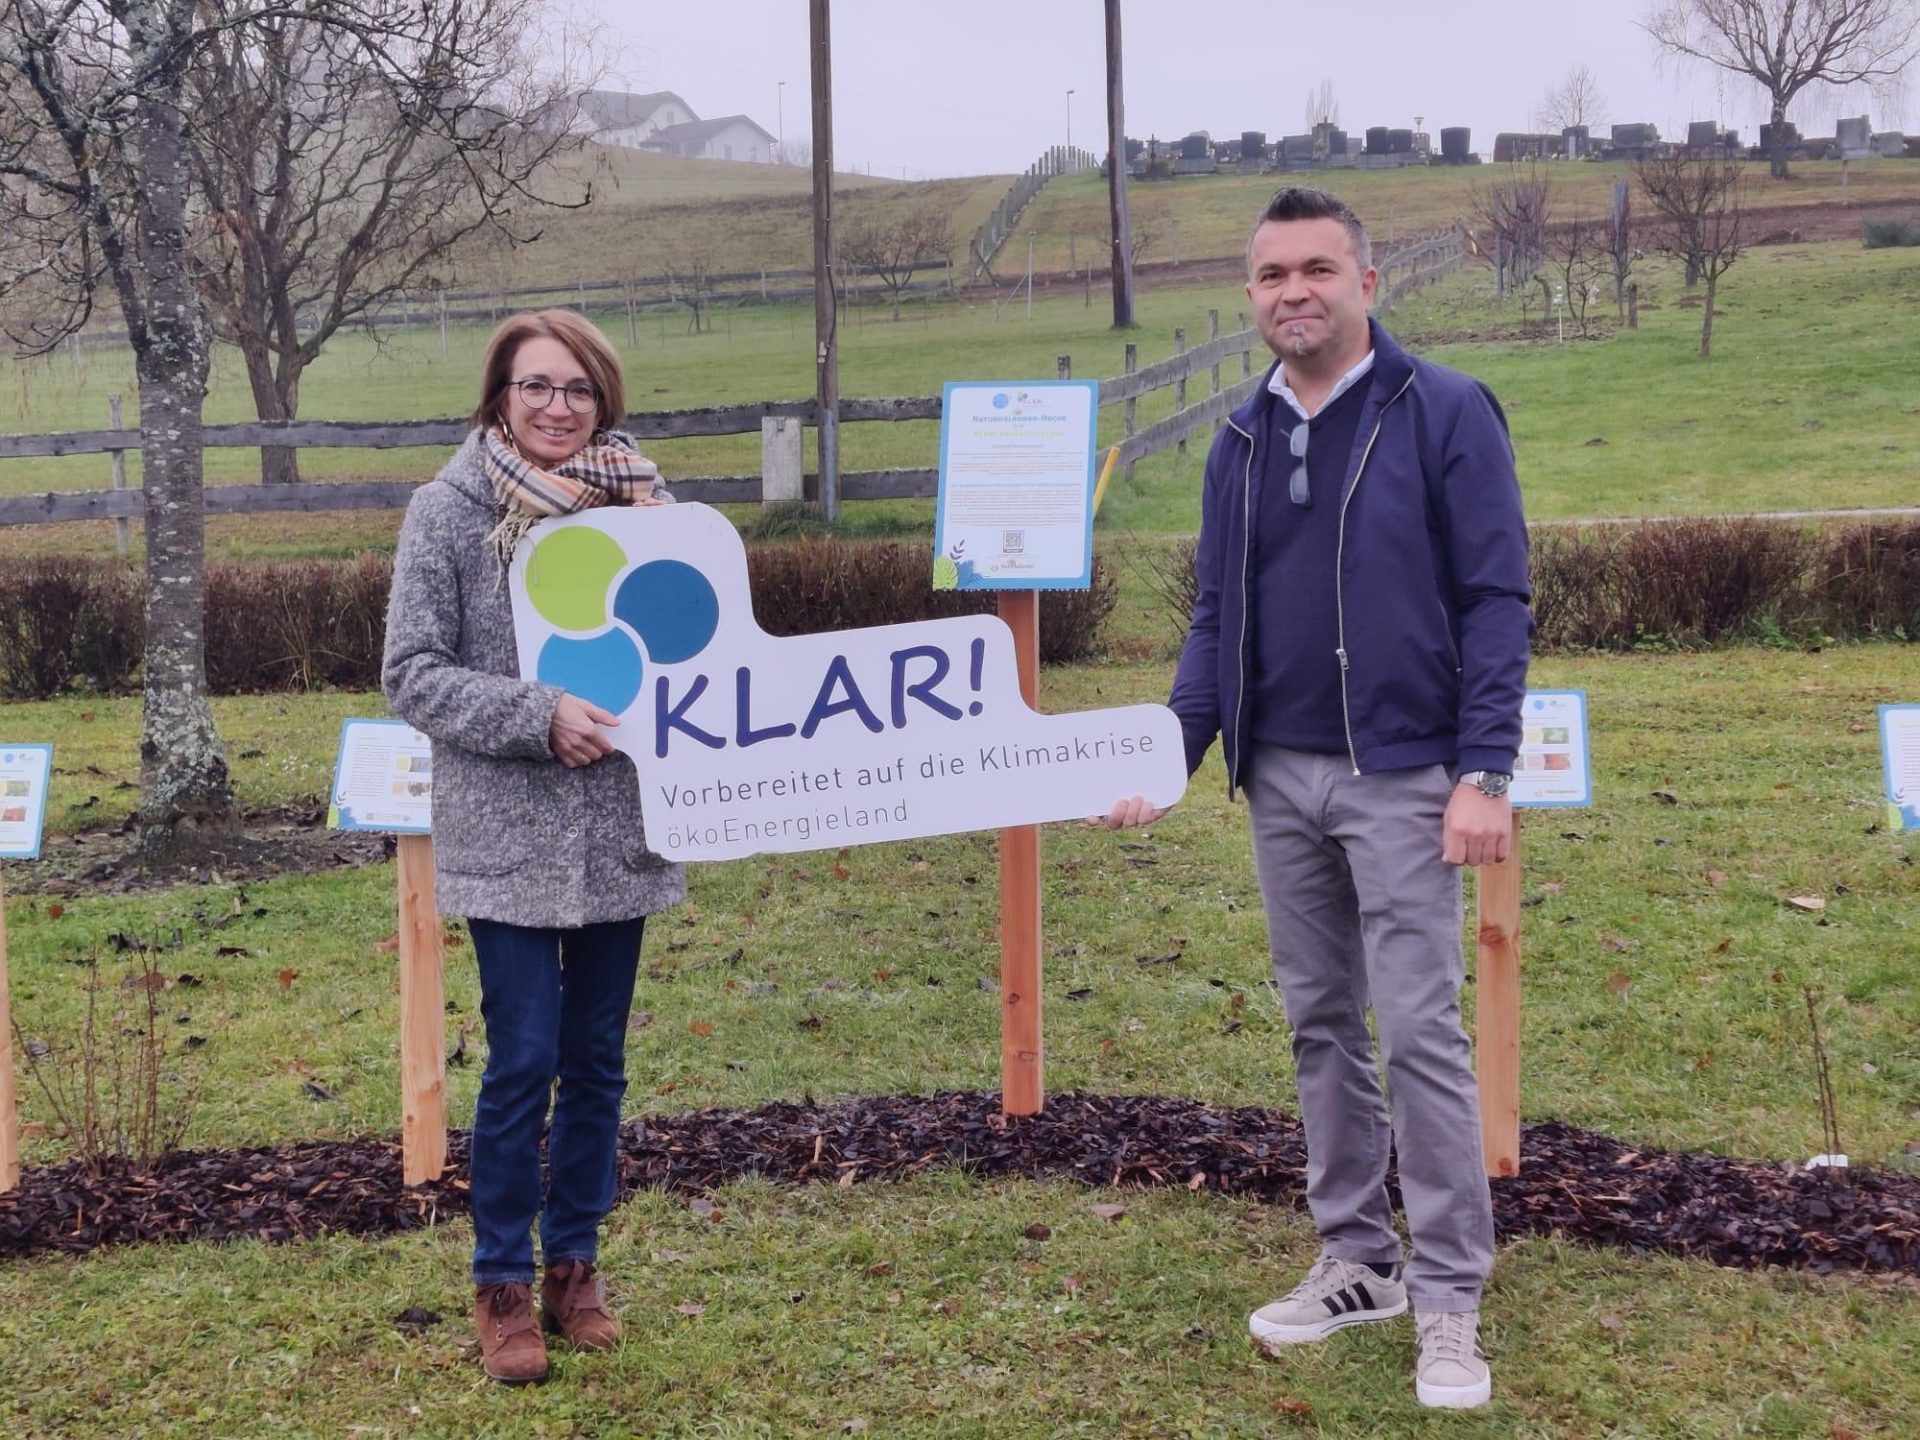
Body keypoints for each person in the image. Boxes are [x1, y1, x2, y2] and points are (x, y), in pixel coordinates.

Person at [1106, 187, 1531, 1411]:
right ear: (1251, 296)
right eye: (1270, 274)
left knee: (1420, 1033)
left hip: (1405, 777)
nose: (1292, 291)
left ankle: (1450, 1298)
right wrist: (1171, 752)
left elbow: (1498, 599)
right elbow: (1212, 617)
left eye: (1316, 269)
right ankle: (1358, 1260)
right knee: (1320, 1026)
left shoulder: (1444, 412)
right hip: (1278, 778)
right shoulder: (1240, 435)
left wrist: (1482, 771)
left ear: (1366, 284)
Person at [383, 310, 684, 1386]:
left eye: (578, 391)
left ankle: (575, 1265)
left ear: (604, 401)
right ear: (498, 398)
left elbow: (698, 657)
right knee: (524, 1060)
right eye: (536, 388)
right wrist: (535, 713)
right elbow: (411, 671)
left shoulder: (654, 512)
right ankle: (500, 1277)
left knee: (598, 1061)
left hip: (620, 835)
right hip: (508, 838)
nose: (558, 408)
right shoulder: (449, 513)